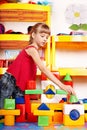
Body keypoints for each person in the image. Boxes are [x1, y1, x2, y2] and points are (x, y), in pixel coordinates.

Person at [0, 23, 76, 113]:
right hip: (9, 80)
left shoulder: (35, 51)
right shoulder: (32, 49)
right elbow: (43, 69)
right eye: (42, 36)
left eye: (47, 37)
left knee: (18, 111)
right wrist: (62, 85)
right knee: (3, 109)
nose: (45, 39)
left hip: (18, 84)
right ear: (33, 35)